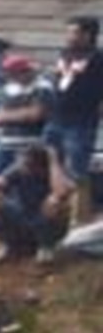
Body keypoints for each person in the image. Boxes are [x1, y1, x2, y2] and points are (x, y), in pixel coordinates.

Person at [0, 140, 62, 261]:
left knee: (55, 204)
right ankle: (10, 245)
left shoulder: (53, 172)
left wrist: (54, 197)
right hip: (22, 210)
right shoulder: (18, 170)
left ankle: (46, 245)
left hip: (42, 216)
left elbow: (63, 190)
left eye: (27, 163)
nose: (22, 166)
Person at [54, 15, 103, 203]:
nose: (69, 36)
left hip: (81, 120)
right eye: (68, 32)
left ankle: (78, 212)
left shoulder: (98, 58)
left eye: (74, 32)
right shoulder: (64, 53)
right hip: (56, 117)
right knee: (52, 164)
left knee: (76, 168)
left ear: (87, 34)